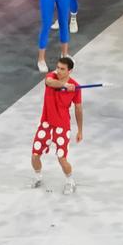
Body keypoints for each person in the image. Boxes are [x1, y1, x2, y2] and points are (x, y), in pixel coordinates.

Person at [32, 55, 85, 189]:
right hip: (46, 123)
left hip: (62, 125)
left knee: (62, 158)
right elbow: (49, 82)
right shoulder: (52, 76)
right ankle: (38, 177)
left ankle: (70, 182)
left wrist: (80, 130)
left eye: (62, 69)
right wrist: (64, 85)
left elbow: (78, 109)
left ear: (69, 71)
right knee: (35, 154)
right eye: (58, 68)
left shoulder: (76, 87)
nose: (58, 71)